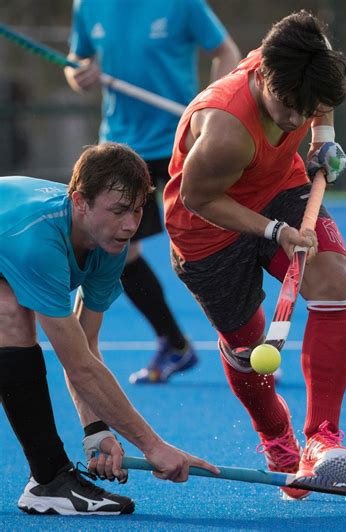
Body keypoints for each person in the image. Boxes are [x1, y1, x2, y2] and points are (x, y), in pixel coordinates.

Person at [163, 10, 346, 500]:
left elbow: (321, 99)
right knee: (250, 356)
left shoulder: (305, 69)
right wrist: (275, 231)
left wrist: (323, 140)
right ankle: (277, 438)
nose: (295, 117)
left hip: (279, 186)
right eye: (290, 106)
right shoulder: (226, 129)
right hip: (207, 232)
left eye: (307, 108)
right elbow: (198, 199)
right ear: (264, 76)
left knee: (332, 280)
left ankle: (321, 438)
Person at [0, 143, 218, 515]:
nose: (131, 224)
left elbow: (84, 347)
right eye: (118, 211)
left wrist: (95, 431)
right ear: (80, 201)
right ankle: (50, 479)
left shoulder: (109, 244)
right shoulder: (41, 243)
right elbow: (81, 367)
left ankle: (48, 480)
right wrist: (153, 446)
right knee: (10, 316)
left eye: (137, 210)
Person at [64, 0, 241, 384]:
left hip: (183, 138)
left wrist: (212, 106)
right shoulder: (88, 6)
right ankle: (175, 344)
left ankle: (244, 348)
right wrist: (78, 74)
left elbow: (225, 51)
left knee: (214, 244)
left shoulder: (182, 3)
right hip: (123, 146)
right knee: (120, 253)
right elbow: (75, 62)